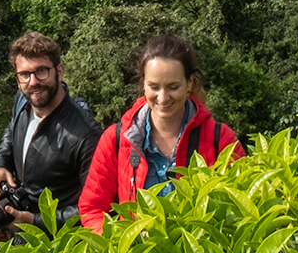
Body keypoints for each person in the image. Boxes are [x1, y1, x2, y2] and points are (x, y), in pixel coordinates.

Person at [77, 34, 243, 234]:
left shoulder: (220, 138)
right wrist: (122, 240)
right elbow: (92, 208)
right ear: (144, 85)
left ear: (189, 84)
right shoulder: (117, 139)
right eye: (154, 87)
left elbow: (241, 206)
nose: (162, 98)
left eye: (173, 87)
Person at [0, 32, 100, 233]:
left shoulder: (85, 135)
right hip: (23, 235)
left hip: (61, 249)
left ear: (59, 71)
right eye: (24, 75)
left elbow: (96, 206)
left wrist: (35, 221)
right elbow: (12, 129)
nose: (33, 82)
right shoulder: (22, 101)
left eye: (42, 71)